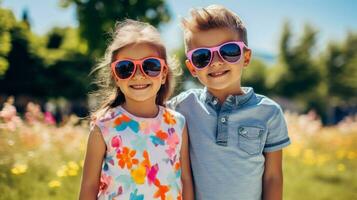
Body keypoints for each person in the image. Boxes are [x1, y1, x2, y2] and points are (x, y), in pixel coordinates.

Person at [167, 5, 291, 200]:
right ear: (192, 68)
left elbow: (273, 177)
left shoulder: (269, 113)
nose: (216, 62)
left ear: (246, 57)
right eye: (202, 56)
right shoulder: (181, 107)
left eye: (229, 50)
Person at [79, 19, 194, 200]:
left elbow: (185, 179)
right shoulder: (103, 126)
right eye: (126, 68)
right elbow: (89, 185)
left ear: (164, 74)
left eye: (150, 66)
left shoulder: (178, 123)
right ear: (115, 76)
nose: (139, 75)